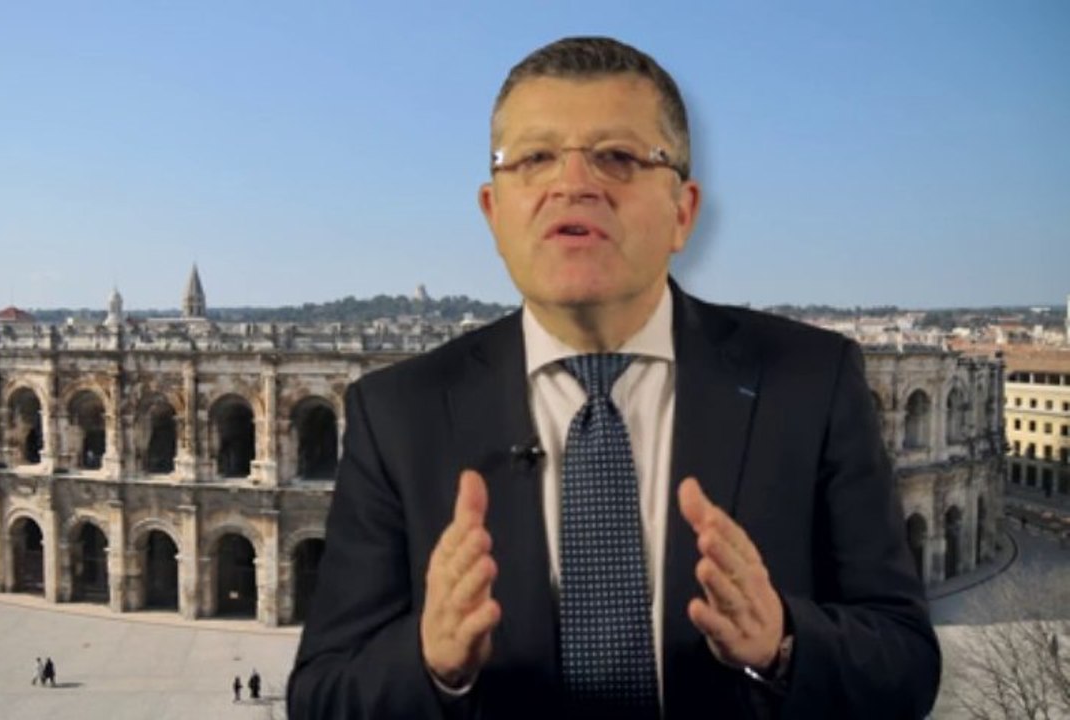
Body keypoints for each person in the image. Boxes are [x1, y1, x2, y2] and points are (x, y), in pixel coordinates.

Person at [287, 36, 940, 719]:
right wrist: (430, 664)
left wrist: (782, 645)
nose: (573, 183)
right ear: (492, 211)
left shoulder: (810, 381)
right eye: (535, 158)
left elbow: (904, 665)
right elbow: (321, 698)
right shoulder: (397, 413)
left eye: (618, 158)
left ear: (682, 213)